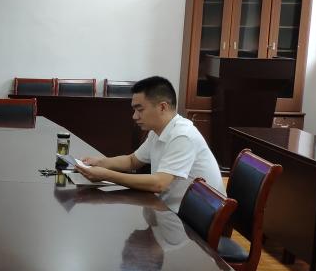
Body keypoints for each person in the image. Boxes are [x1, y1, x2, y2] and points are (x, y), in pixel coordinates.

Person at [75, 75, 223, 212]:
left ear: (162, 107)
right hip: (168, 207)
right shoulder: (157, 130)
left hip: (196, 218)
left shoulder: (182, 135)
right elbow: (132, 161)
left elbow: (159, 183)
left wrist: (107, 175)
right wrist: (100, 162)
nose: (134, 116)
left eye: (140, 110)